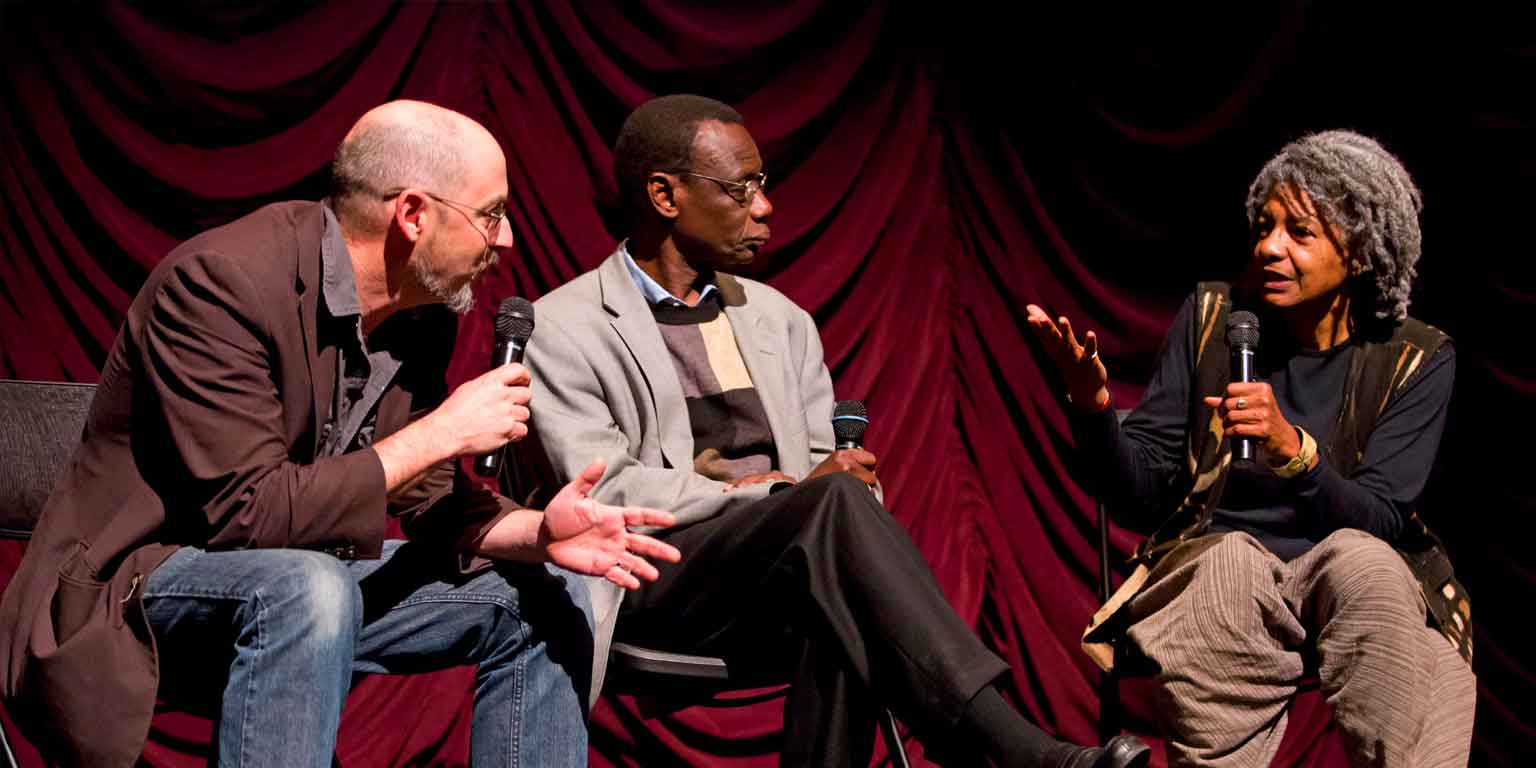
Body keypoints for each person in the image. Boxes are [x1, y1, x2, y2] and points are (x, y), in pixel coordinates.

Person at [0, 100, 681, 768]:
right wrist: (442, 431)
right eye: (491, 215)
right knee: (309, 586)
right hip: (137, 586)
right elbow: (249, 515)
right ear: (413, 214)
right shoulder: (220, 284)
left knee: (537, 596)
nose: (505, 240)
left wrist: (538, 533)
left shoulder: (418, 312)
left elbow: (428, 495)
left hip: (301, 579)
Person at [524, 94, 1148, 768]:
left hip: (786, 566)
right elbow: (603, 489)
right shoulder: (564, 326)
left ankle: (1019, 754)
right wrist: (769, 494)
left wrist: (827, 487)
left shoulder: (779, 320)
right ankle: (1019, 752)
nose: (764, 208)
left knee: (847, 584)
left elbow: (830, 473)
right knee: (834, 535)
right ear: (664, 195)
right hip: (655, 573)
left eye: (762, 185)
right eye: (741, 188)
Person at [1027, 130, 1476, 767]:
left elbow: (1381, 519)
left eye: (1300, 232)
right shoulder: (1215, 319)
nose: (1269, 246)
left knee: (1366, 565)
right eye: (1265, 225)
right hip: (1223, 569)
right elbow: (1143, 495)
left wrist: (1293, 450)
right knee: (1228, 566)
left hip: (1350, 583)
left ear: (1360, 253)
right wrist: (1095, 408)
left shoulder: (1415, 357)